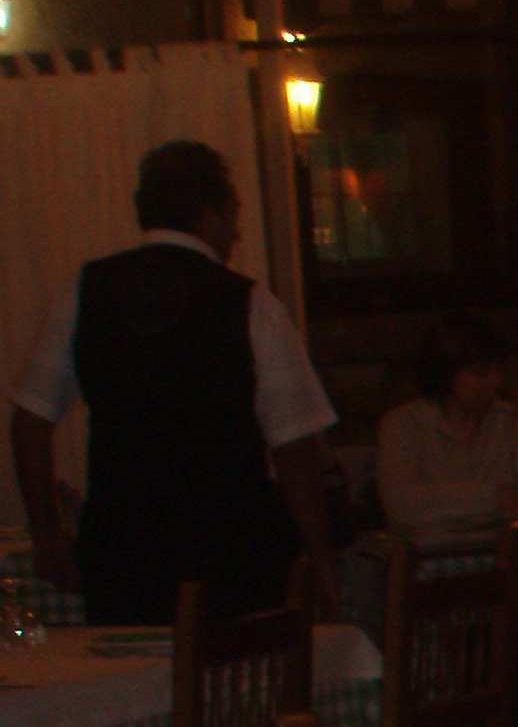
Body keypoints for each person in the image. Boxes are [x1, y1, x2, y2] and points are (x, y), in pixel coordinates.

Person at [9, 139, 339, 623]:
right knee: (236, 667)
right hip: (232, 553)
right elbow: (294, 449)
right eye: (233, 215)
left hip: (123, 551)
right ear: (210, 215)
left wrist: (46, 532)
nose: (236, 233)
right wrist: (321, 559)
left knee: (128, 670)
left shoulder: (86, 291)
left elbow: (30, 420)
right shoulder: (250, 304)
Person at [375, 313, 518, 542]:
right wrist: (494, 498)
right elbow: (401, 504)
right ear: (446, 373)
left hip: (505, 552)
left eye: (498, 372)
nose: (494, 382)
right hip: (428, 555)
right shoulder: (404, 424)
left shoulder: (512, 421)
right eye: (481, 374)